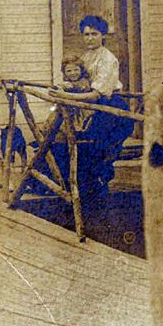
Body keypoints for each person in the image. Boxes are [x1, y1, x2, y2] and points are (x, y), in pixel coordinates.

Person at [52, 15, 134, 196]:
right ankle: (73, 183)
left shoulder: (108, 59)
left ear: (103, 35)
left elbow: (96, 94)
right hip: (88, 107)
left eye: (94, 34)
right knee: (63, 138)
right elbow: (77, 80)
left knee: (95, 147)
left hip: (109, 109)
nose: (89, 38)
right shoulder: (85, 57)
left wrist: (68, 97)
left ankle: (96, 185)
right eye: (86, 34)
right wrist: (65, 88)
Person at [36, 55, 92, 142]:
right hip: (69, 110)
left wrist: (66, 87)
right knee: (56, 113)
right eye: (69, 71)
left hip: (81, 111)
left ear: (81, 70)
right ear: (64, 72)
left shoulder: (84, 81)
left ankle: (50, 134)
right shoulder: (68, 82)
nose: (73, 73)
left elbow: (79, 87)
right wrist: (59, 88)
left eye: (76, 69)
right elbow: (57, 88)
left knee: (63, 121)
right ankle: (48, 133)